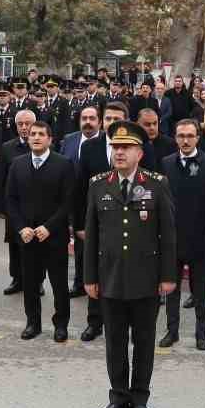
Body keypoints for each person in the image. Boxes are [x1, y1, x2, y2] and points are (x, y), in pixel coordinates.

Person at [84, 120, 177, 408]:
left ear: (140, 153)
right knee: (114, 341)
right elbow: (91, 235)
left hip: (146, 277)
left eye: (126, 147)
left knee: (144, 340)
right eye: (115, 147)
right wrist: (89, 277)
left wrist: (167, 276)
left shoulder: (156, 184)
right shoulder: (99, 185)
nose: (119, 152)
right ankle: (117, 395)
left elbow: (168, 234)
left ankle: (139, 397)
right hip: (109, 276)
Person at [3, 120, 76, 341]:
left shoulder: (63, 164)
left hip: (53, 236)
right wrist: (21, 227)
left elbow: (68, 202)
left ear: (50, 139)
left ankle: (60, 325)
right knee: (30, 284)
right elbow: (10, 200)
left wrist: (49, 227)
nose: (35, 137)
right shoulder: (18, 164)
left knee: (59, 284)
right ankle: (32, 323)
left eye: (41, 134)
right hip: (27, 237)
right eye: (32, 133)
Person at [159, 118, 205, 350]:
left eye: (190, 136)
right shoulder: (165, 163)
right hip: (172, 239)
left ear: (198, 137)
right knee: (171, 290)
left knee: (200, 292)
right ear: (175, 138)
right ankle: (172, 331)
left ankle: (201, 334)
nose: (185, 140)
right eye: (181, 136)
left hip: (200, 239)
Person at [75, 100, 133, 340]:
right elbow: (79, 189)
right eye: (108, 119)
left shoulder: (136, 147)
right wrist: (79, 225)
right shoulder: (90, 147)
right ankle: (94, 321)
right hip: (97, 221)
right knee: (95, 271)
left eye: (117, 119)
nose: (111, 123)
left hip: (129, 222)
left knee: (127, 272)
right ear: (102, 121)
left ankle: (125, 324)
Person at [0, 110, 39, 297]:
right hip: (14, 206)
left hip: (37, 206)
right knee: (15, 243)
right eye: (20, 124)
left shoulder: (42, 145)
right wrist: (1, 206)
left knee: (36, 244)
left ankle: (37, 281)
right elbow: (1, 178)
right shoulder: (7, 147)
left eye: (28, 123)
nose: (24, 127)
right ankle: (17, 279)